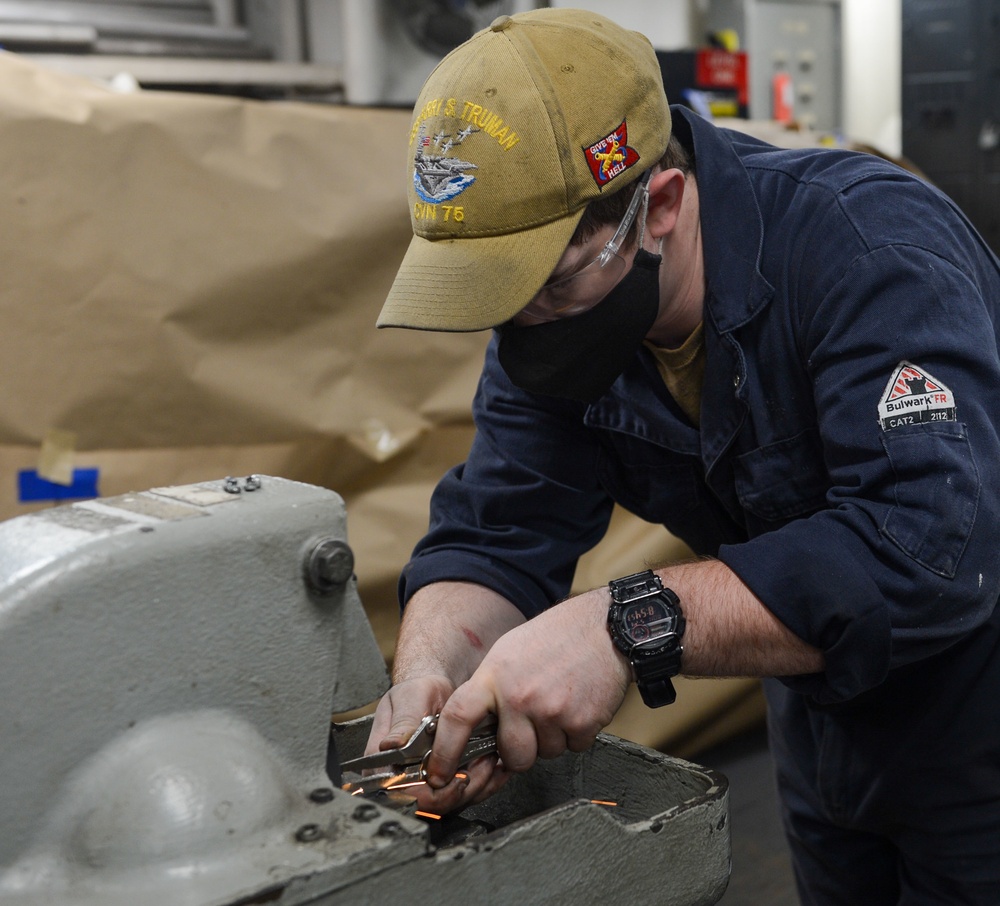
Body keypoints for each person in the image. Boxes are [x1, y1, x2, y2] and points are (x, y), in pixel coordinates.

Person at [369, 8, 1000, 904]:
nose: (525, 330)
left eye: (545, 284)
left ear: (657, 207)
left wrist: (625, 625)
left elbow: (931, 551)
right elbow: (503, 527)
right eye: (498, 298)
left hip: (977, 698)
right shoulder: (560, 324)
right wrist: (435, 672)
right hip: (819, 695)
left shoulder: (868, 250)